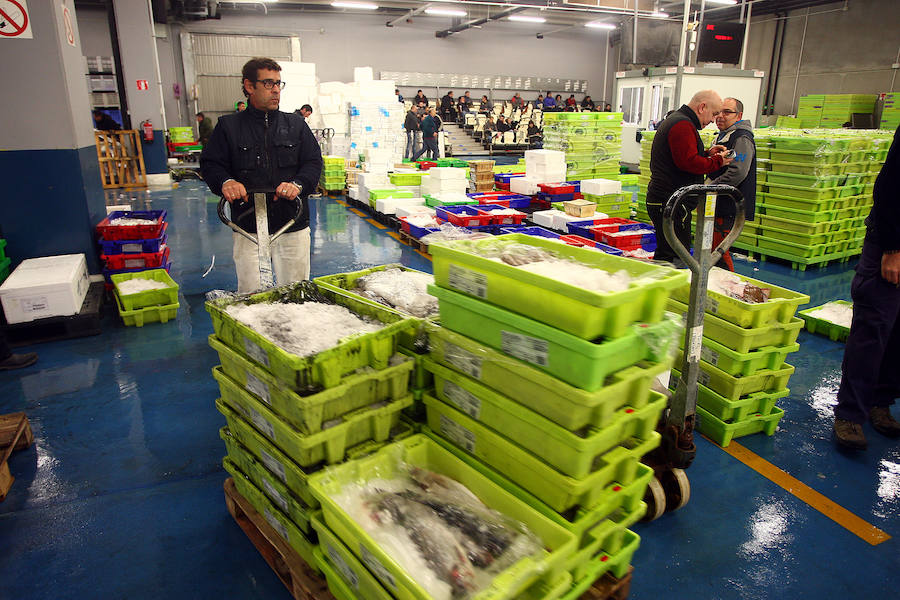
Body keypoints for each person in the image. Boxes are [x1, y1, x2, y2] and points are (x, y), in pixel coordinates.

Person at [200, 57, 323, 293]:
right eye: (268, 83)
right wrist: (226, 181)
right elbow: (211, 164)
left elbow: (313, 162)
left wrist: (298, 184)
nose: (276, 89)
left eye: (278, 83)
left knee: (296, 292)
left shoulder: (296, 125)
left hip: (291, 224)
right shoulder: (228, 127)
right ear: (249, 86)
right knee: (251, 294)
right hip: (248, 228)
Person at [832, 125, 900, 450]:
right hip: (891, 248)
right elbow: (889, 188)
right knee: (872, 330)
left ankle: (880, 402)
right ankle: (850, 414)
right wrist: (892, 248)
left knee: (898, 333)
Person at [645, 90, 732, 264]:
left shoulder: (679, 121)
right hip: (671, 201)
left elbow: (680, 155)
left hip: (667, 200)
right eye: (714, 114)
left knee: (669, 252)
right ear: (702, 107)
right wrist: (717, 161)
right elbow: (688, 162)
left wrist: (706, 154)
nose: (713, 120)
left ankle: (663, 287)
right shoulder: (682, 125)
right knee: (675, 256)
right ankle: (669, 289)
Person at [707, 97, 756, 271]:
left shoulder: (741, 138)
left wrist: (709, 189)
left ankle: (727, 287)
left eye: (727, 112)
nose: (721, 116)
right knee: (711, 247)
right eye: (718, 111)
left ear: (739, 115)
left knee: (719, 251)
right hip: (717, 203)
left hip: (728, 205)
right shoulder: (722, 136)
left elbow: (738, 172)